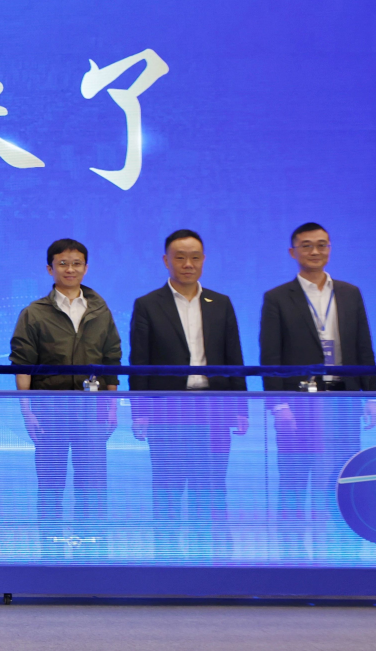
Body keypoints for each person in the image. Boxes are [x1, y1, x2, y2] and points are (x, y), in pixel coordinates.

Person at [128, 229, 247, 545]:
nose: (188, 264)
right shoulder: (148, 305)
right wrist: (140, 412)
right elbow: (139, 362)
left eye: (194, 257)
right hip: (168, 408)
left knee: (212, 485)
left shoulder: (220, 303)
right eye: (179, 258)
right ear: (166, 261)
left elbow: (234, 357)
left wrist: (240, 408)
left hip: (214, 408)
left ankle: (212, 553)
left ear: (203, 260)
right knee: (168, 487)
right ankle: (167, 554)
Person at [260, 222, 376, 526]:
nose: (315, 251)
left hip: (343, 400)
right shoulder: (277, 298)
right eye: (307, 245)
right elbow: (270, 356)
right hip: (299, 402)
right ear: (293, 252)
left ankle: (343, 540)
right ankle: (291, 544)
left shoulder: (350, 293)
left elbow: (363, 347)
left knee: (343, 476)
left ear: (330, 249)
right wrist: (278, 405)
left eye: (322, 245)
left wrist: (372, 396)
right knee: (295, 478)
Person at [10, 239, 121, 527]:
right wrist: (27, 411)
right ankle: (51, 546)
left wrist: (112, 408)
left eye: (76, 264)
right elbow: (23, 364)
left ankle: (93, 546)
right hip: (49, 410)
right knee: (50, 485)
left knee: (92, 486)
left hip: (92, 411)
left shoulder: (101, 311)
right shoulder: (34, 313)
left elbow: (111, 360)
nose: (70, 269)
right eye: (62, 264)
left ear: (86, 268)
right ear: (50, 269)